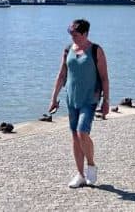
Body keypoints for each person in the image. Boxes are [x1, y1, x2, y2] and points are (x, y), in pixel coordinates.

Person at [49, 19, 110, 188]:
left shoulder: (96, 50)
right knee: (75, 136)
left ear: (85, 34)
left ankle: (91, 165)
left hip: (89, 99)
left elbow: (104, 77)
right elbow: (61, 75)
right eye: (71, 35)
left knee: (82, 132)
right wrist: (54, 98)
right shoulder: (68, 50)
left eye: (76, 35)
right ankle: (80, 174)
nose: (73, 38)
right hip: (72, 98)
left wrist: (106, 101)